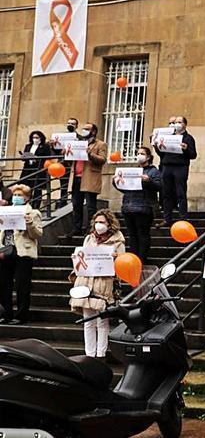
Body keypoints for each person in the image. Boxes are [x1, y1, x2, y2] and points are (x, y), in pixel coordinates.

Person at [70, 210, 125, 359]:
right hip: (86, 282)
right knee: (88, 322)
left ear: (109, 224)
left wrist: (116, 258)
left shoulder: (118, 241)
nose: (99, 225)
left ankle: (100, 354)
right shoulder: (89, 238)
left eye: (102, 222)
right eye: (97, 222)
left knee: (102, 321)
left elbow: (122, 263)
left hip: (104, 283)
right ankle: (89, 354)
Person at [0, 185, 42, 325]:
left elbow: (37, 234)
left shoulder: (33, 213)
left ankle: (21, 315)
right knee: (4, 284)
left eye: (20, 195)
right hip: (6, 251)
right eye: (15, 195)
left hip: (23, 252)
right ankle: (7, 313)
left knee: (22, 285)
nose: (17, 197)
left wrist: (29, 223)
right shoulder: (6, 211)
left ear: (27, 197)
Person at [114, 146, 162, 265]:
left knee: (142, 234)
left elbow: (159, 186)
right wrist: (116, 181)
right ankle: (134, 258)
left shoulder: (153, 171)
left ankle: (142, 258)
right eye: (138, 153)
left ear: (148, 157)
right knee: (132, 235)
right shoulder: (133, 171)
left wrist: (148, 181)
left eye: (142, 153)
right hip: (129, 207)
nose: (139, 155)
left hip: (144, 207)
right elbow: (124, 188)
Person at [155, 116, 197, 226]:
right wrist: (157, 146)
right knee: (166, 193)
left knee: (180, 193)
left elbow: (193, 155)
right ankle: (167, 218)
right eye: (175, 122)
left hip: (180, 167)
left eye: (179, 122)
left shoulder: (188, 138)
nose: (177, 124)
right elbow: (161, 154)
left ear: (185, 124)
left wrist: (186, 149)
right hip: (167, 166)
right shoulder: (168, 136)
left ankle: (183, 217)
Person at [69, 123, 107, 237]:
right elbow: (71, 161)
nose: (84, 131)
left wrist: (89, 153)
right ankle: (76, 228)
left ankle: (91, 228)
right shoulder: (77, 143)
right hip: (76, 177)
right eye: (83, 129)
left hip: (90, 178)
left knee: (90, 206)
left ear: (94, 132)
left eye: (87, 129)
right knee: (76, 205)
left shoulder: (100, 144)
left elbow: (102, 159)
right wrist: (67, 153)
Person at [19, 130, 52, 211]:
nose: (35, 139)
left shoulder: (44, 146)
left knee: (37, 189)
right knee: (26, 188)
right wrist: (24, 156)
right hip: (28, 169)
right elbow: (24, 157)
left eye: (37, 137)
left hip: (38, 170)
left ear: (41, 138)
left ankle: (35, 207)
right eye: (33, 137)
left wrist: (36, 159)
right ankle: (25, 206)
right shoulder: (28, 146)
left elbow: (48, 158)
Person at [56, 117, 78, 207]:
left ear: (76, 126)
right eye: (69, 123)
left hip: (75, 164)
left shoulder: (79, 138)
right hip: (63, 163)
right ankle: (63, 200)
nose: (70, 125)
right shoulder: (61, 137)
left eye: (72, 124)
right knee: (63, 183)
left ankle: (74, 199)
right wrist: (53, 145)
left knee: (75, 183)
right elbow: (55, 152)